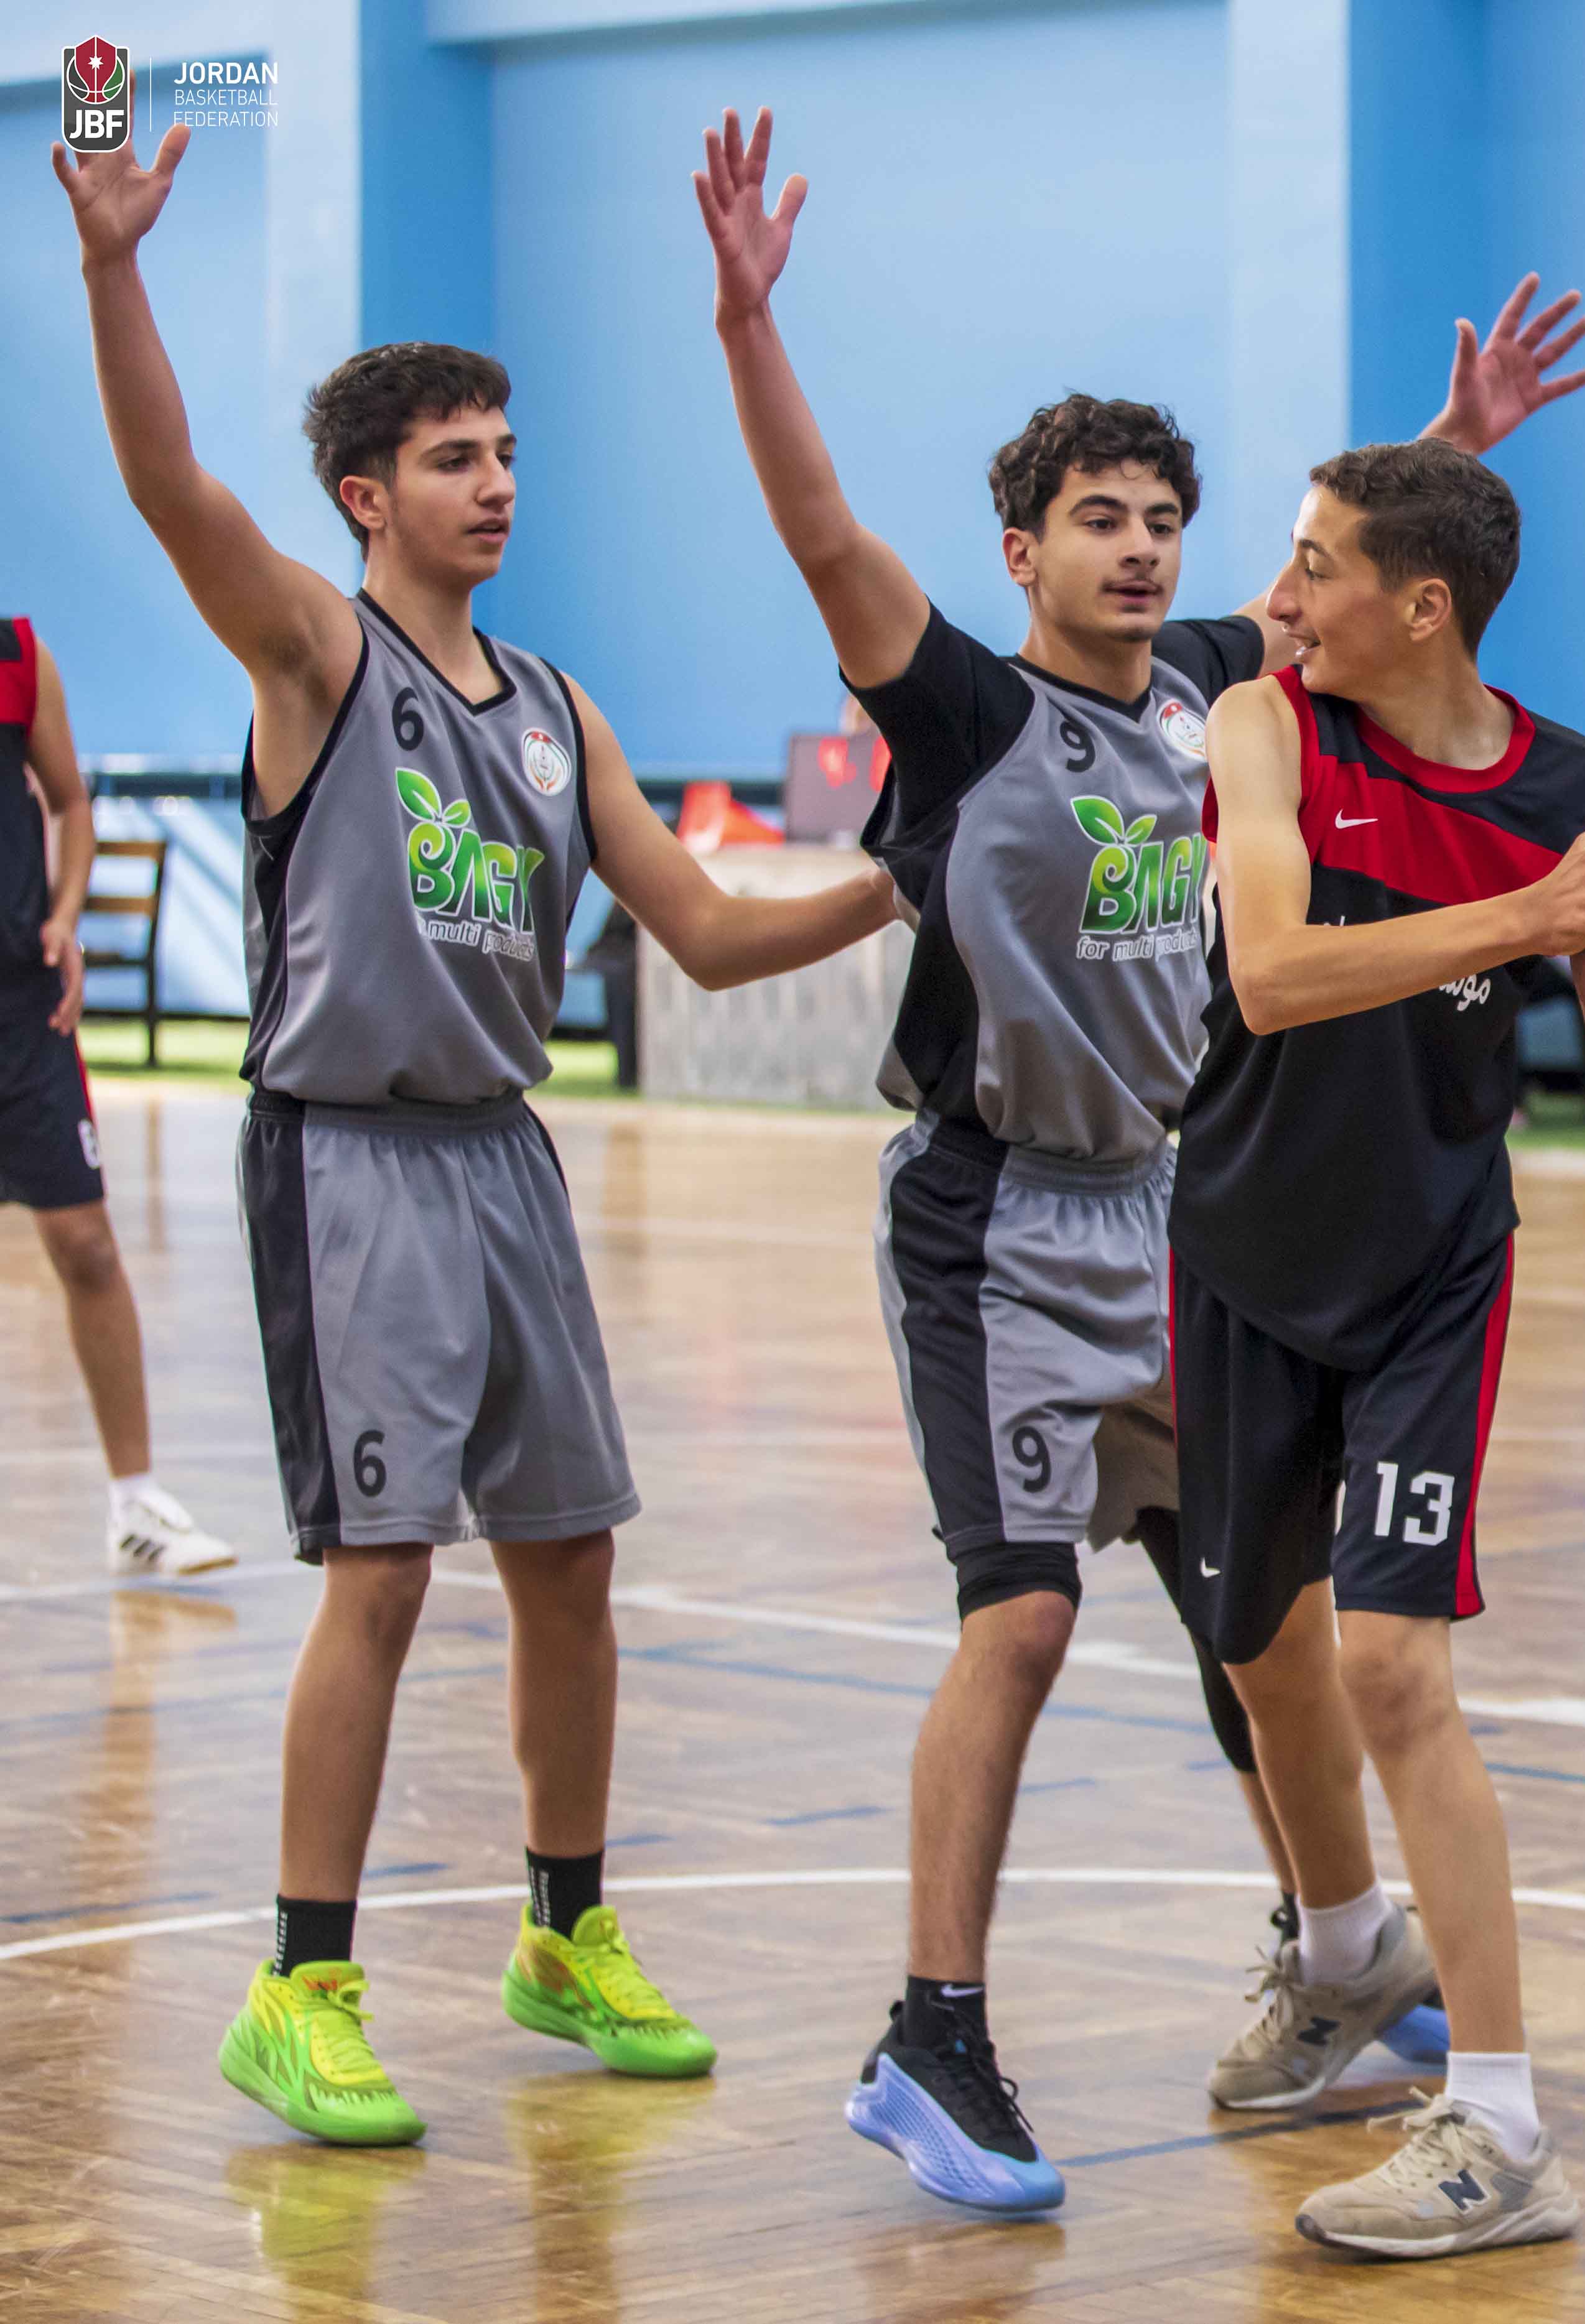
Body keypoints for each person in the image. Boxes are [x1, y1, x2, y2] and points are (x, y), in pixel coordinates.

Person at [694, 104, 1585, 2212]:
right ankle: (931, 2034)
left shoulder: (1215, 687)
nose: (1141, 548)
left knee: (1255, 1610)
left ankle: (1337, 1945)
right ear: (1020, 550)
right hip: (996, 1217)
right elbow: (822, 533)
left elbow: (1357, 583)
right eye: (1096, 518)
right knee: (1018, 1621)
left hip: (1178, 1208)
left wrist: (1455, 439)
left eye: (1163, 518)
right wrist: (747, 326)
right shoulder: (960, 712)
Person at [58, 109, 896, 2146]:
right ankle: (301, 1983)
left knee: (570, 1559)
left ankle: (562, 1932)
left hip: (504, 1154)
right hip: (347, 1155)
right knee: (381, 1571)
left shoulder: (551, 703)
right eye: (455, 458)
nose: (498, 481)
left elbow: (704, 933)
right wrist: (111, 263)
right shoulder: (314, 650)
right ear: (367, 494)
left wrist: (902, 875)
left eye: (507, 452)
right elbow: (168, 487)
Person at [1169, 438, 1585, 2257]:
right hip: (1242, 1248)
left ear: (1420, 608)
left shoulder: (1581, 795)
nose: (1282, 594)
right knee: (1260, 1649)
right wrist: (1535, 915)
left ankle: (1498, 2121)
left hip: (1427, 1269)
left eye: (1316, 565)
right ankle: (1343, 1954)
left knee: (1391, 1662)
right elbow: (1269, 972)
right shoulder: (1268, 725)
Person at [0, 615, 237, 1576]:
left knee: (87, 1244)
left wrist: (64, 916)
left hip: (22, 1009)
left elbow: (70, 803)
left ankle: (136, 1505)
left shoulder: (19, 657)